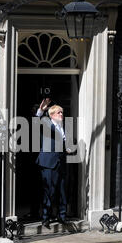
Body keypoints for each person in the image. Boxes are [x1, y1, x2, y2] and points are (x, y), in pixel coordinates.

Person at [35, 98, 69, 228]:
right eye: (59, 112)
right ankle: (46, 218)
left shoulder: (62, 127)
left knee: (62, 191)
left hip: (61, 163)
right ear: (52, 115)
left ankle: (62, 216)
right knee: (48, 191)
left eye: (62, 112)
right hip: (48, 163)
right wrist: (41, 110)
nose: (61, 114)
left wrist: (67, 149)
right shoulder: (47, 124)